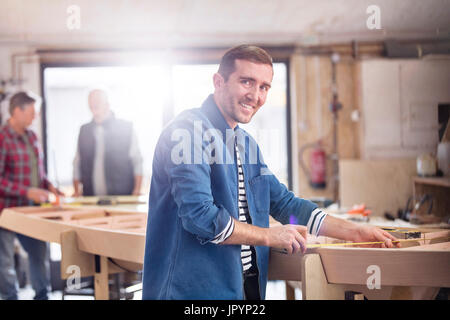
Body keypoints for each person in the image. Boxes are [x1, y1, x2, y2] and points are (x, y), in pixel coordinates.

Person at [142, 45, 399, 300]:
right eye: (246, 82)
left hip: (245, 286)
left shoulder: (245, 143)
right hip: (190, 292)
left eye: (264, 87)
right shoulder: (187, 132)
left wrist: (355, 232)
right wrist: (270, 235)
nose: (255, 96)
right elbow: (200, 217)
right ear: (218, 82)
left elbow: (284, 204)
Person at [0, 91, 63, 300]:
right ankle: (10, 297)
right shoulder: (2, 138)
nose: (35, 117)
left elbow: (39, 173)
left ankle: (42, 296)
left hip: (32, 210)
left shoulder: (32, 137)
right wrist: (27, 191)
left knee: (39, 255)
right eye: (32, 112)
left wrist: (50, 187)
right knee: (5, 262)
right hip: (5, 212)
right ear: (17, 111)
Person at [72, 88, 143, 197]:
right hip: (91, 197)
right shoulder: (84, 130)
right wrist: (77, 191)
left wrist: (137, 190)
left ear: (107, 104)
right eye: (91, 102)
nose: (93, 104)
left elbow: (137, 161)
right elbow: (77, 162)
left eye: (97, 101)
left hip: (122, 197)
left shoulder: (126, 128)